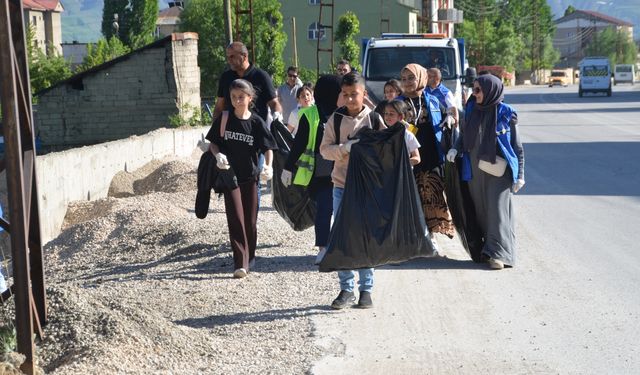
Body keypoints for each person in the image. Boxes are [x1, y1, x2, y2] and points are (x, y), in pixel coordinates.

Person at [320, 72, 385, 310]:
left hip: (367, 189)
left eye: (354, 95)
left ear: (364, 94)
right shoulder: (334, 121)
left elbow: (386, 151)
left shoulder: (375, 120)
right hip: (341, 187)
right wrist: (345, 149)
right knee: (343, 238)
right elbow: (325, 150)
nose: (349, 99)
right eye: (345, 95)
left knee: (366, 239)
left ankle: (366, 290)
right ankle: (346, 288)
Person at [446, 74, 525, 269]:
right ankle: (486, 250)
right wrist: (455, 148)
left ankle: (500, 255)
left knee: (497, 212)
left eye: (479, 90)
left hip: (499, 173)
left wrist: (520, 175)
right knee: (480, 212)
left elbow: (517, 147)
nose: (475, 93)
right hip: (474, 171)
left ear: (491, 90)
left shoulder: (506, 114)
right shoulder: (472, 110)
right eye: (474, 89)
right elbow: (463, 136)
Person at [206, 79, 278, 278]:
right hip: (230, 177)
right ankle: (240, 262)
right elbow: (213, 143)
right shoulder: (225, 118)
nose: (237, 101)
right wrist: (217, 155)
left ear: (250, 98)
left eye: (241, 97)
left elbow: (268, 147)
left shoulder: (256, 122)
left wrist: (268, 166)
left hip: (251, 177)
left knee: (250, 221)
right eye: (233, 97)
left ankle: (250, 256)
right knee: (236, 219)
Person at [281, 75, 341, 265]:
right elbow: (299, 144)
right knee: (324, 209)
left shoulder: (345, 113)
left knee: (341, 210)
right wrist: (288, 167)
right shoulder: (309, 114)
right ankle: (323, 247)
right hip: (320, 172)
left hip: (343, 170)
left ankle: (341, 246)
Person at [398, 63, 455, 252]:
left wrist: (451, 118)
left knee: (431, 196)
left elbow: (448, 115)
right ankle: (410, 241)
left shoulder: (431, 100)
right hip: (407, 157)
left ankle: (429, 237)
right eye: (404, 79)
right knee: (410, 197)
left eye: (411, 78)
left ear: (421, 78)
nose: (406, 83)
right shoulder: (397, 103)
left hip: (431, 155)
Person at [214, 42, 283, 123]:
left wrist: (277, 116)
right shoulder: (226, 77)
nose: (229, 60)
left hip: (255, 129)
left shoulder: (261, 76)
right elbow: (219, 106)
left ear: (244, 56)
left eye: (232, 56)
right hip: (232, 131)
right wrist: (214, 128)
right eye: (228, 57)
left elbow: (274, 103)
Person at [381, 99, 421, 166]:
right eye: (386, 113)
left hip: (403, 174)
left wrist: (401, 163)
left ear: (401, 117)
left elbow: (417, 158)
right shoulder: (382, 134)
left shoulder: (408, 135)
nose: (387, 116)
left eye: (391, 114)